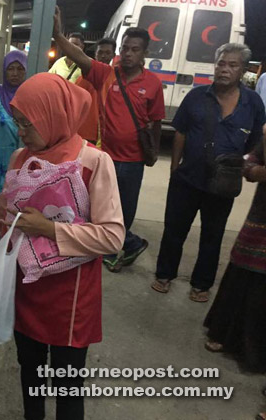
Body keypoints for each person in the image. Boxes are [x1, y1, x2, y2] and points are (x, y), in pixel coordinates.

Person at [0, 73, 124, 420]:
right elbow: (2, 210)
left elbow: (112, 237)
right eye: (17, 122)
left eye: (26, 123)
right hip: (27, 288)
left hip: (71, 297)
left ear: (54, 115)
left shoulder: (93, 162)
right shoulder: (23, 158)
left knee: (68, 385)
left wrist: (49, 229)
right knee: (31, 371)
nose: (19, 132)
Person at [53, 6, 165, 273]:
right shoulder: (107, 74)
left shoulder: (153, 84)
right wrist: (58, 35)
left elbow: (157, 122)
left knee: (124, 210)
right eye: (124, 47)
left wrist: (153, 153)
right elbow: (78, 56)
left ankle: (120, 247)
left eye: (134, 49)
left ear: (144, 54)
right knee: (96, 207)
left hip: (134, 160)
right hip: (106, 156)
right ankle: (121, 246)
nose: (127, 53)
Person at [152, 43, 266, 302]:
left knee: (212, 236)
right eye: (221, 64)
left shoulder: (253, 103)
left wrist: (237, 163)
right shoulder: (196, 96)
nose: (224, 69)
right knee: (174, 230)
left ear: (243, 70)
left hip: (223, 184)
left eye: (232, 65)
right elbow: (180, 131)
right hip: (188, 178)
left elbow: (254, 142)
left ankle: (201, 284)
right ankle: (164, 274)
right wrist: (174, 170)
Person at [203, 130, 266, 373]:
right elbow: (249, 161)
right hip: (260, 222)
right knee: (243, 275)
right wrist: (258, 172)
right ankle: (228, 337)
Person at [0, 50, 28, 193]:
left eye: (20, 69)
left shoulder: (31, 94)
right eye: (10, 68)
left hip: (26, 160)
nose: (15, 73)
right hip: (0, 162)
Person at [75, 38, 117, 146]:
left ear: (113, 55)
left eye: (107, 53)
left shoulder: (116, 78)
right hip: (86, 131)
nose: (103, 56)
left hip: (105, 132)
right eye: (100, 52)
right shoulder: (84, 77)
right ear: (95, 54)